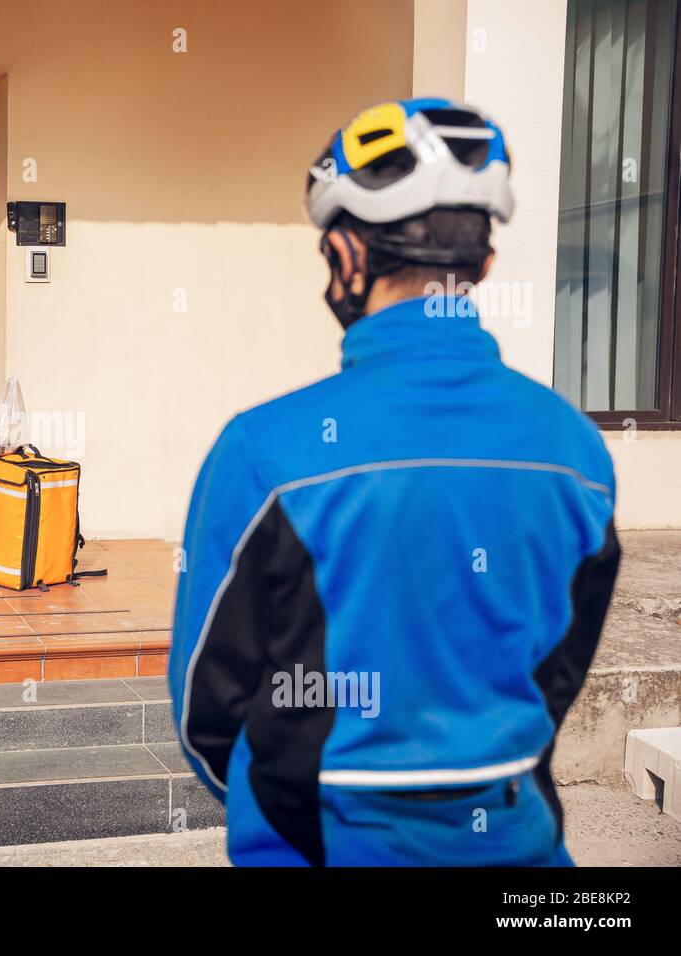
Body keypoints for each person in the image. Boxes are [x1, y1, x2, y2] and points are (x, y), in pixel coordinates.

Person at [168, 99, 619, 866]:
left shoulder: (263, 450)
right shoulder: (576, 449)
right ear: (482, 268)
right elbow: (558, 673)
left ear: (346, 257)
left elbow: (204, 712)